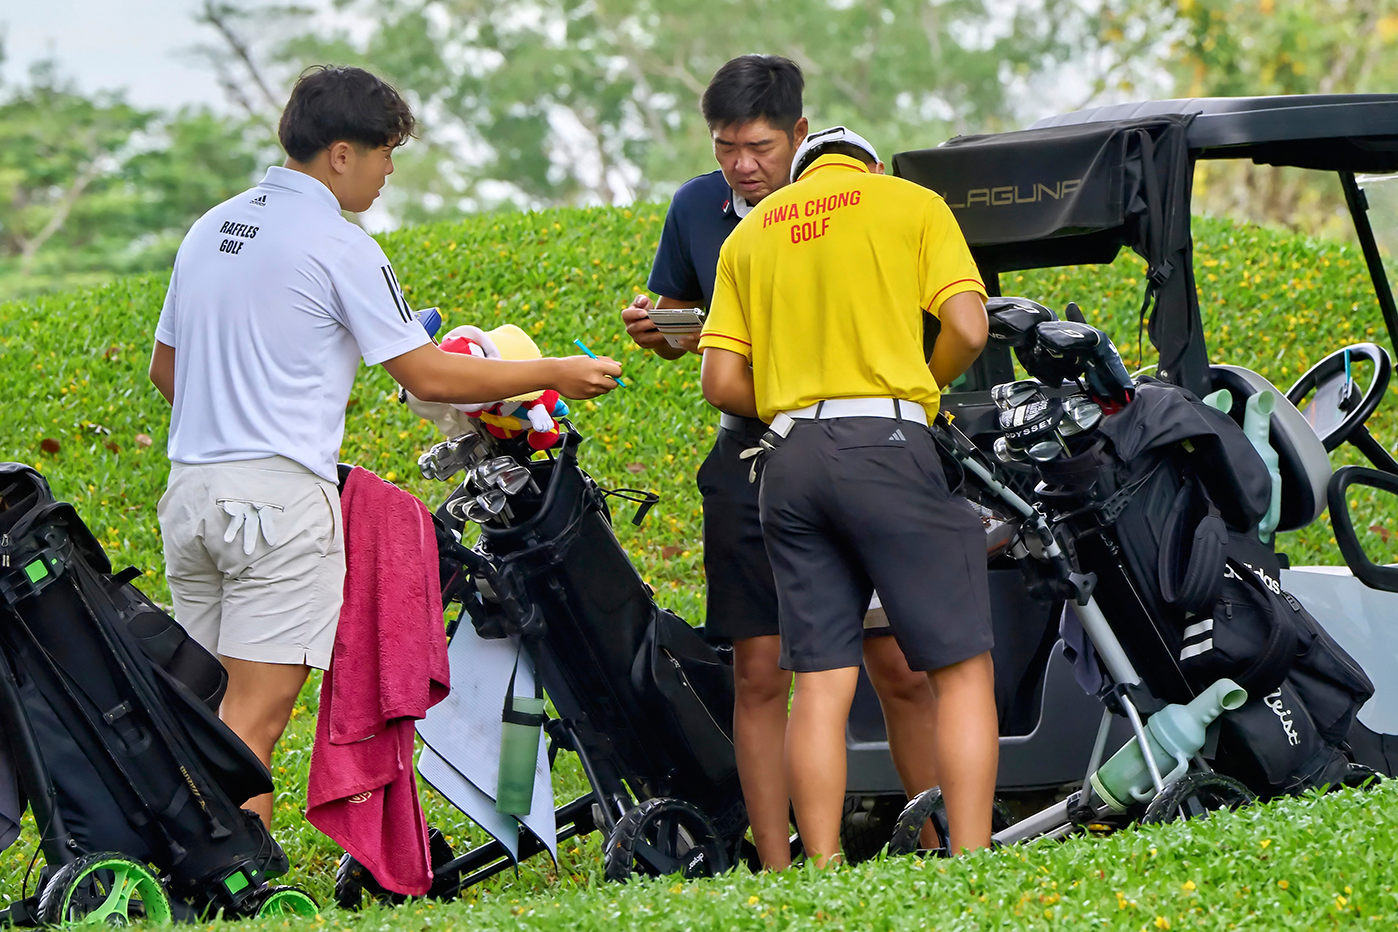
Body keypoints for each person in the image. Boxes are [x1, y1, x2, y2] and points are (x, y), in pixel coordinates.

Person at [148, 65, 621, 828]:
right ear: (342, 153)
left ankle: (180, 870)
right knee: (254, 722)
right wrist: (558, 369)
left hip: (191, 494)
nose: (389, 171)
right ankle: (235, 889)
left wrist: (236, 417)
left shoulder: (211, 228)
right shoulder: (339, 242)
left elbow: (166, 369)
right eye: (385, 153)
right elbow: (429, 375)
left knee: (203, 709)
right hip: (277, 505)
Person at [621, 56, 942, 869]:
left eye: (758, 146)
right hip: (748, 460)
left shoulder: (850, 206)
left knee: (900, 665)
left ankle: (936, 838)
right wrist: (661, 332)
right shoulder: (698, 207)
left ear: (801, 133)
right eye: (726, 147)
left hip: (858, 445)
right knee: (760, 672)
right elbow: (691, 328)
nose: (741, 165)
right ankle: (778, 862)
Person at [699, 126, 999, 865]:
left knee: (821, 681)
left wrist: (800, 402)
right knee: (959, 667)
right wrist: (922, 387)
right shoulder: (911, 203)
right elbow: (968, 325)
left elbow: (720, 383)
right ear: (865, 168)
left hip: (788, 460)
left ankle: (822, 867)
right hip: (889, 441)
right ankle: (972, 855)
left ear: (801, 175)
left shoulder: (752, 234)